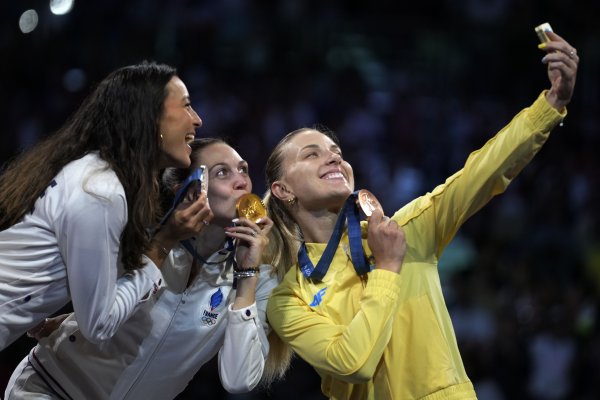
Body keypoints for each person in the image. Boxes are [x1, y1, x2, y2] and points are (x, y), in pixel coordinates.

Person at [264, 31, 579, 399]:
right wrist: (386, 268)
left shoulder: (404, 230)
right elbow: (353, 364)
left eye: (335, 151)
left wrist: (551, 104)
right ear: (283, 191)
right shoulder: (289, 297)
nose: (333, 157)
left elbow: (482, 171)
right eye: (311, 154)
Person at [4, 138, 289, 399]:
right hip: (50, 388)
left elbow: (238, 379)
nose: (241, 181)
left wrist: (247, 274)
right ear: (189, 190)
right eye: (221, 173)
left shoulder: (255, 277)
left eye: (243, 170)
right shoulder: (139, 232)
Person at [0, 61, 212, 350]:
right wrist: (165, 242)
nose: (197, 119)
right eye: (186, 106)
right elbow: (99, 326)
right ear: (150, 118)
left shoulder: (96, 176)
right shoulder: (101, 193)